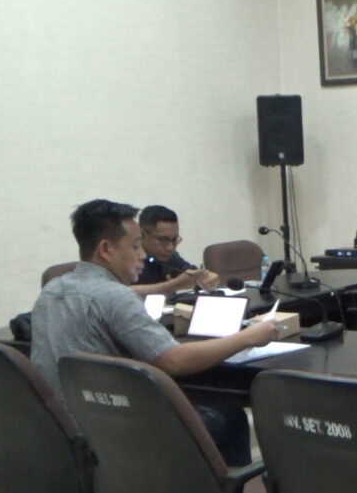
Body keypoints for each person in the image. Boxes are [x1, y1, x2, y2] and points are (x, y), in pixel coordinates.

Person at [32, 199, 278, 467]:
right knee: (231, 416)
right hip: (116, 434)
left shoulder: (51, 291)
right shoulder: (114, 296)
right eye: (135, 246)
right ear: (106, 250)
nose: (142, 255)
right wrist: (249, 337)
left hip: (60, 432)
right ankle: (225, 492)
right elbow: (173, 360)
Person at [132, 205, 219, 296]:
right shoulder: (128, 257)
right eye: (163, 240)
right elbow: (123, 293)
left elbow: (191, 272)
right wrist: (174, 285)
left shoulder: (170, 257)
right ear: (142, 235)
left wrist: (206, 278)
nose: (170, 248)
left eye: (174, 240)